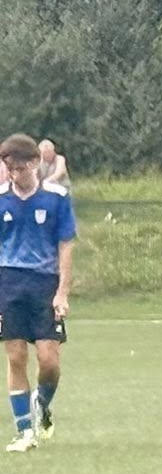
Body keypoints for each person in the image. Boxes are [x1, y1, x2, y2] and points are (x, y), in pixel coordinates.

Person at [0, 133, 75, 451]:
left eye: (20, 168)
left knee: (49, 360)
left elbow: (66, 246)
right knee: (16, 356)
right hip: (8, 283)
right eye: (9, 169)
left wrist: (62, 292)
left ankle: (41, 402)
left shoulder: (56, 197)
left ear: (35, 163)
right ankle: (25, 433)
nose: (15, 175)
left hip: (44, 284)